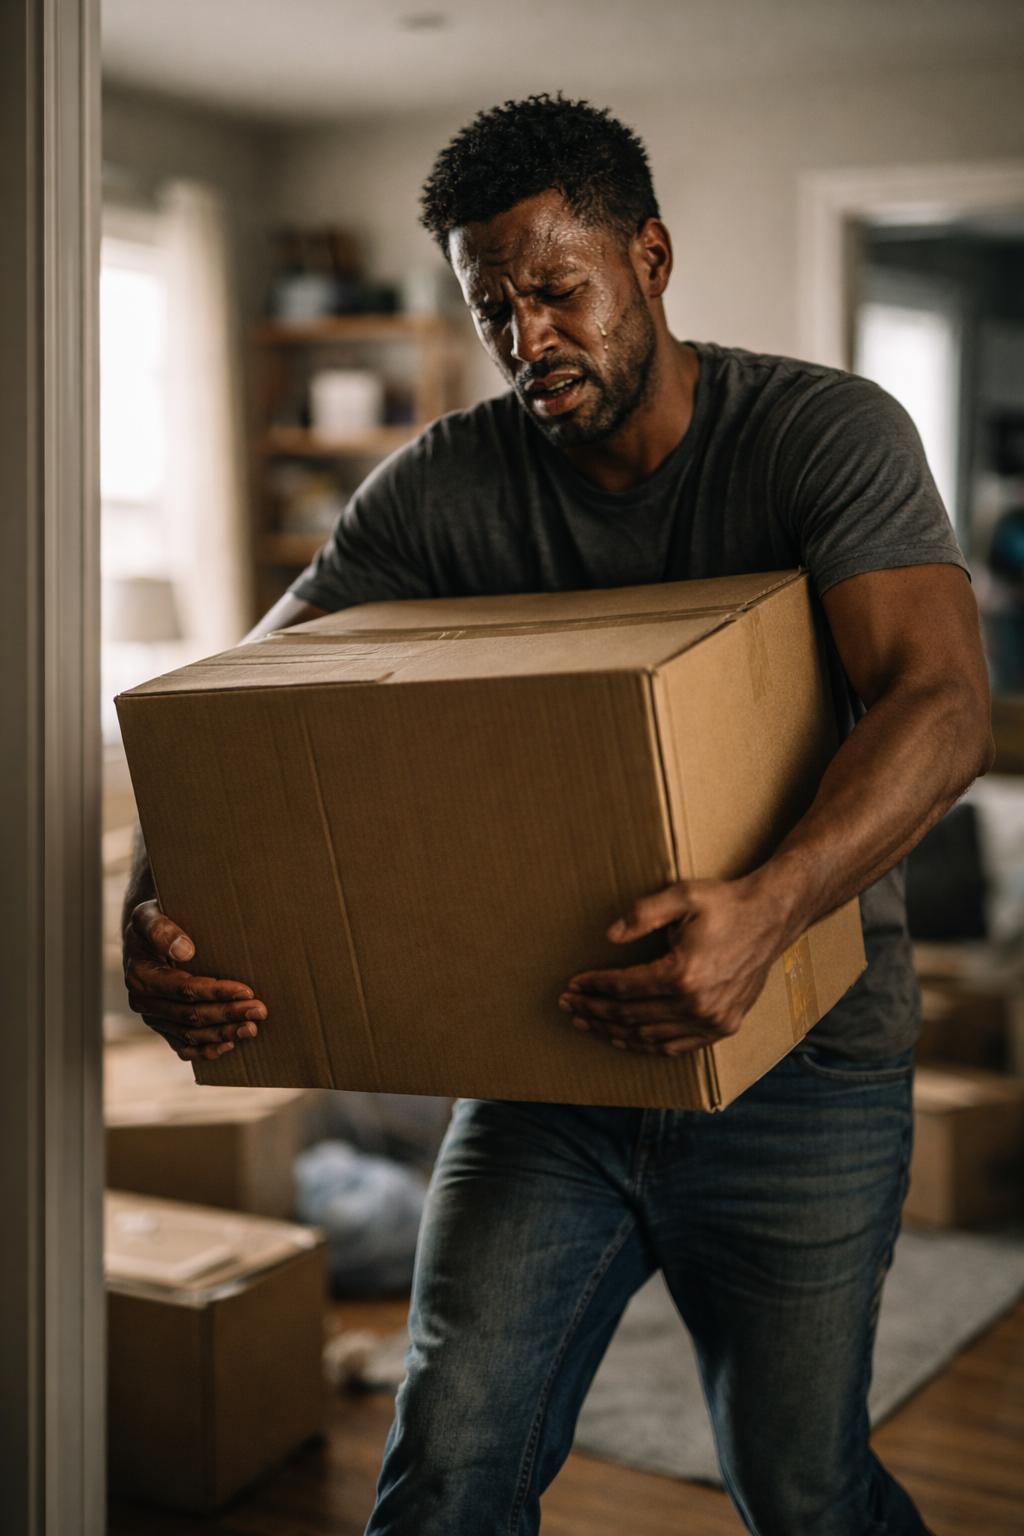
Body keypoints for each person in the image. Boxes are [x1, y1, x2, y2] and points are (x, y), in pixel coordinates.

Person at [122, 95, 993, 1535]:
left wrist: (765, 912)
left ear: (650, 257)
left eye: (556, 289)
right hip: (546, 1062)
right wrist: (155, 908)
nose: (528, 337)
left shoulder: (821, 436)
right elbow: (236, 713)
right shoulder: (443, 488)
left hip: (808, 1072)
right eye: (492, 307)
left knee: (801, 1487)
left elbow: (943, 704)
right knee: (448, 1468)